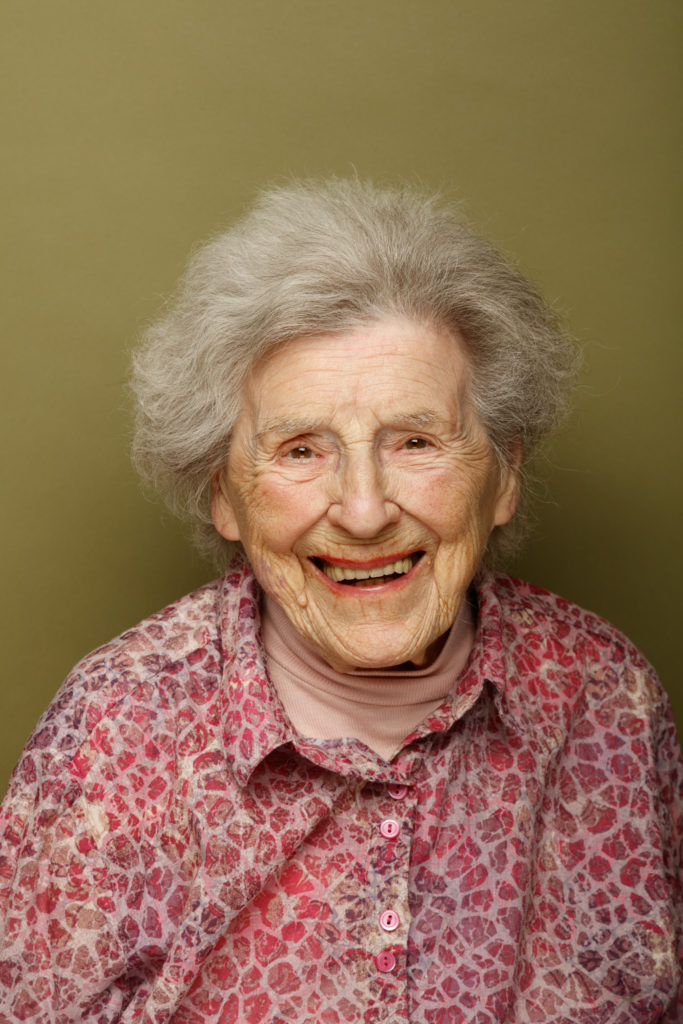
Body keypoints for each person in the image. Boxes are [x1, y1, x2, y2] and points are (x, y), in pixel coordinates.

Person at [0, 180, 680, 1024]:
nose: (363, 511)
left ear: (502, 476)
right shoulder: (116, 726)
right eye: (300, 450)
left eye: (415, 441)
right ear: (224, 496)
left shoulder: (604, 696)